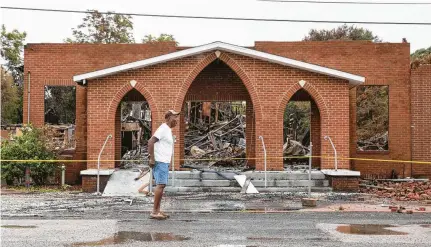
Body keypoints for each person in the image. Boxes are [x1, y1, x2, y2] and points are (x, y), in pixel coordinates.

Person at [148, 110, 180, 220]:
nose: (176, 120)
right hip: (160, 161)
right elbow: (151, 141)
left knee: (162, 186)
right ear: (168, 118)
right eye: (174, 117)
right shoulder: (163, 129)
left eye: (177, 117)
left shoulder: (167, 130)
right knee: (160, 185)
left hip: (164, 162)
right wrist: (152, 158)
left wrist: (169, 162)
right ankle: (154, 212)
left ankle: (157, 210)